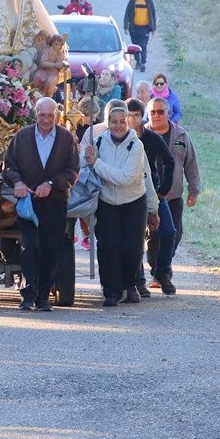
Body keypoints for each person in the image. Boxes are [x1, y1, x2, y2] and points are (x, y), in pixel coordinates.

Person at [2, 97, 79, 312]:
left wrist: (52, 183)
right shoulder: (23, 136)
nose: (46, 119)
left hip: (55, 203)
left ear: (56, 115)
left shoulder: (65, 138)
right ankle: (28, 294)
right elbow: (8, 167)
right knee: (30, 247)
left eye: (50, 115)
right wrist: (17, 182)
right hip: (28, 204)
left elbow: (73, 171)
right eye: (42, 115)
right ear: (35, 114)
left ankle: (44, 296)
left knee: (51, 248)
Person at [85, 99, 159, 305]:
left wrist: (154, 209)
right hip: (107, 202)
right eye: (114, 121)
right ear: (107, 122)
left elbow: (127, 178)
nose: (118, 126)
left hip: (133, 202)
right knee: (108, 247)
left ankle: (130, 284)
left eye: (122, 121)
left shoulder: (136, 146)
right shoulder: (98, 142)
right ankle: (111, 291)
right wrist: (88, 158)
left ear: (128, 122)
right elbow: (86, 165)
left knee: (132, 248)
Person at [126, 98, 177, 295]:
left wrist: (163, 188)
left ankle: (162, 272)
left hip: (153, 192)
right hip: (129, 193)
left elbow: (169, 161)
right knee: (135, 235)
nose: (132, 119)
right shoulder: (121, 139)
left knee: (168, 231)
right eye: (129, 115)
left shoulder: (152, 138)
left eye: (136, 115)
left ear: (142, 117)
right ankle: (137, 280)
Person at [147, 97, 201, 257]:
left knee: (174, 234)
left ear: (168, 113)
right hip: (149, 196)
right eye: (152, 112)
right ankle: (157, 269)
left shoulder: (181, 136)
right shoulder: (141, 136)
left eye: (160, 112)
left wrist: (194, 190)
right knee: (154, 236)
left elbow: (190, 163)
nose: (156, 115)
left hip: (173, 196)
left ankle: (162, 267)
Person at [123, 0, 157, 71]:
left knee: (143, 45)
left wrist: (154, 29)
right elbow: (127, 13)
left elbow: (153, 15)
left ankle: (143, 63)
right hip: (134, 28)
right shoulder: (133, 1)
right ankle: (137, 62)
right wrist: (126, 27)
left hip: (145, 28)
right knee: (135, 46)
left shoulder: (148, 1)